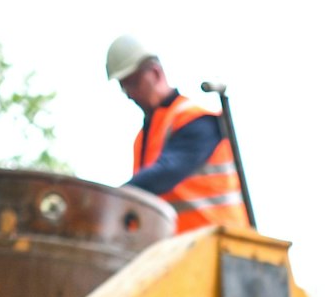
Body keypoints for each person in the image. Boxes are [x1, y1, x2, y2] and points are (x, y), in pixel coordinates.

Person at [104, 35, 249, 233]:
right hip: (181, 250)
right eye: (123, 86)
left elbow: (165, 173)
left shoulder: (197, 120)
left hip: (223, 245)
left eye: (133, 82)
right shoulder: (143, 139)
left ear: (155, 73)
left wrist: (108, 200)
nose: (129, 93)